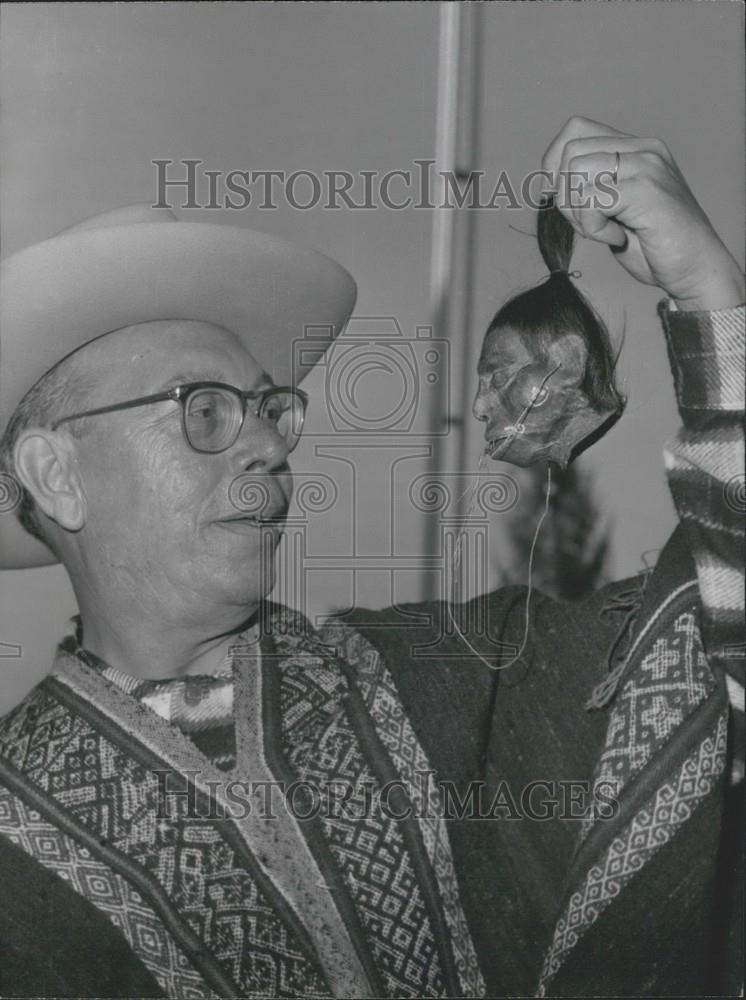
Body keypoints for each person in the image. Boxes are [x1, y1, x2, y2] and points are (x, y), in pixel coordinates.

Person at [0, 117, 742, 998]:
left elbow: (708, 627)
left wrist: (710, 294)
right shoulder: (19, 859)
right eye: (204, 409)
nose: (271, 446)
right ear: (56, 474)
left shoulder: (446, 683)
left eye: (270, 406)